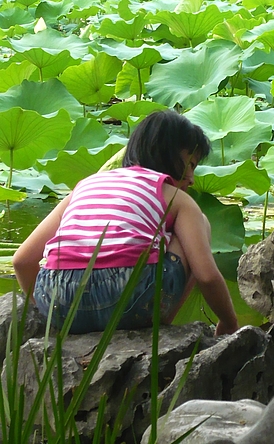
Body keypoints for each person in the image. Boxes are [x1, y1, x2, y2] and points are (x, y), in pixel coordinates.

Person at [13, 110, 239, 336]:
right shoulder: (174, 197)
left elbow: (22, 260)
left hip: (61, 302)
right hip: (132, 301)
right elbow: (206, 276)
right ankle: (159, 327)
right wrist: (229, 323)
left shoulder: (85, 186)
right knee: (200, 223)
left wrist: (49, 309)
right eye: (189, 164)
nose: (191, 177)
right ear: (167, 152)